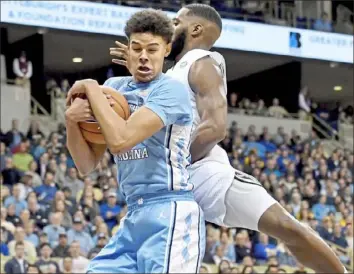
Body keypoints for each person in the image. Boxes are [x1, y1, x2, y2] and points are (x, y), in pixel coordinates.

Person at [110, 3, 347, 273]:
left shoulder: (200, 61)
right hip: (169, 184)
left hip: (202, 174)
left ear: (196, 29)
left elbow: (215, 127)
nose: (167, 29)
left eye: (176, 22)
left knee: (286, 227)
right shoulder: (170, 75)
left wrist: (174, 167)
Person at [65, 9, 204, 273]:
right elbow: (85, 165)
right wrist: (71, 121)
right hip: (134, 214)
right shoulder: (114, 88)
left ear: (166, 49)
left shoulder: (172, 89)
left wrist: (91, 87)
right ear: (127, 49)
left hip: (171, 210)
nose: (143, 56)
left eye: (152, 49)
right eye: (136, 48)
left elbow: (121, 140)